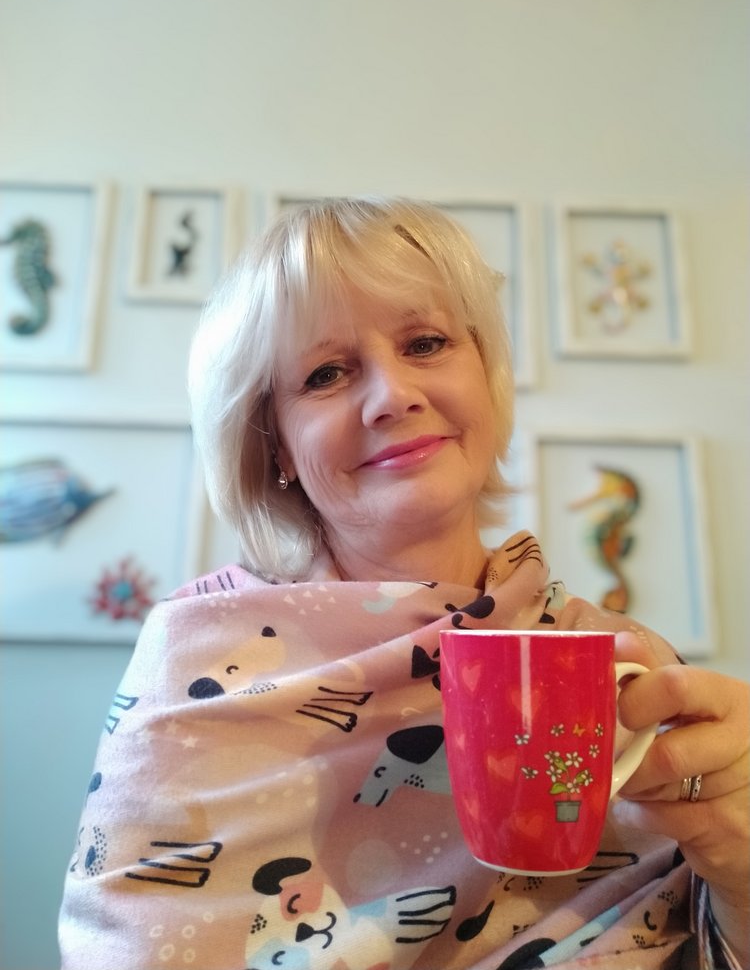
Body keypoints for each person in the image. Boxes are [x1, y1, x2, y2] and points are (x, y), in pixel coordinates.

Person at [59, 197, 749, 970]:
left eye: (426, 343)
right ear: (276, 444)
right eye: (326, 373)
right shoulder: (198, 650)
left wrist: (741, 877)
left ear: (484, 378)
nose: (393, 395)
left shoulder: (624, 663)